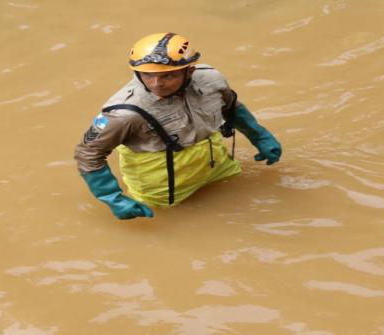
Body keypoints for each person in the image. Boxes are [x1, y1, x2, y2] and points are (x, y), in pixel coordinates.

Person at [74, 32, 282, 220]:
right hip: (161, 183)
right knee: (173, 224)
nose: (157, 84)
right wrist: (113, 198)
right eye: (147, 75)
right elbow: (88, 152)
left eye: (168, 75)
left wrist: (260, 136)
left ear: (189, 71)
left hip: (214, 162)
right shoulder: (123, 113)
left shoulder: (211, 80)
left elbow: (231, 107)